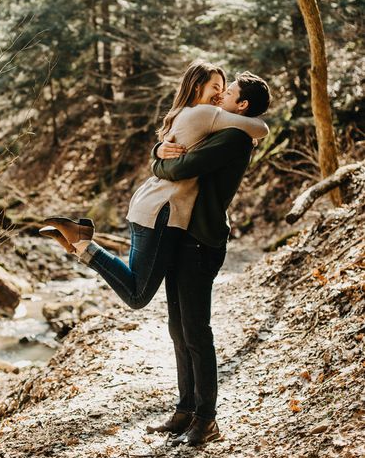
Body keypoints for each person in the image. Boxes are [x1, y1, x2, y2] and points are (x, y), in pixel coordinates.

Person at [39, 62, 269, 312]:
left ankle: (79, 242)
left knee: (135, 281)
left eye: (225, 90)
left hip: (147, 204)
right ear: (196, 87)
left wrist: (156, 152)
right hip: (164, 210)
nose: (220, 94)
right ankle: (81, 241)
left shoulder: (180, 113)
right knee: (138, 295)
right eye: (216, 87)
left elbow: (170, 156)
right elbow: (261, 128)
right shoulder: (206, 114)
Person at [146, 71, 271, 446]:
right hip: (182, 234)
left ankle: (207, 418)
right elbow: (175, 149)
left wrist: (158, 166)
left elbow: (183, 167)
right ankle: (185, 409)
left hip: (202, 239)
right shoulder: (221, 126)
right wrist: (158, 153)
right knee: (177, 327)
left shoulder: (234, 136)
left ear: (243, 104)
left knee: (196, 330)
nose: (222, 95)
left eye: (229, 91)